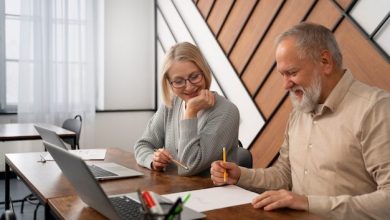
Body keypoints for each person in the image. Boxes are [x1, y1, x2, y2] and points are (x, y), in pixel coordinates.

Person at [210, 22, 390, 219]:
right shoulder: (300, 111)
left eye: (292, 73)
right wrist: (241, 176)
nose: (285, 84)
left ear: (325, 61)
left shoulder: (376, 109)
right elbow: (284, 175)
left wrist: (308, 203)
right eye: (282, 75)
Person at [134, 42, 239, 176]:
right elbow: (143, 144)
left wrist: (190, 112)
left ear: (204, 72)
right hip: (175, 189)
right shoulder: (170, 104)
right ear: (169, 84)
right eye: (178, 81)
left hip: (209, 192)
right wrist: (153, 160)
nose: (189, 87)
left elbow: (188, 167)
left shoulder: (226, 111)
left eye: (194, 76)